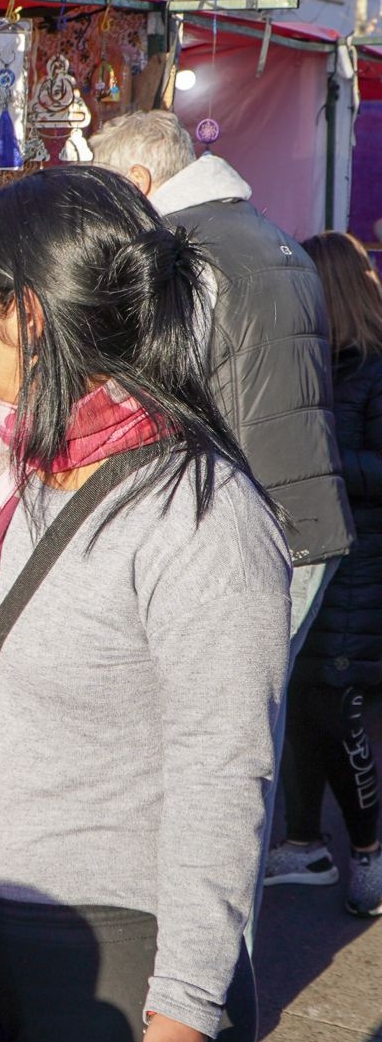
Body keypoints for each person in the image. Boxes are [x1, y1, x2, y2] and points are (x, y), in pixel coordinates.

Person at [0, 166, 287, 1042]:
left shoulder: (199, 515)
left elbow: (223, 778)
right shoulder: (21, 471)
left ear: (27, 315)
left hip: (116, 961)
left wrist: (181, 1009)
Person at [89, 110, 352, 652]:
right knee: (256, 712)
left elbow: (157, 390)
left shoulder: (183, 250)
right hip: (302, 507)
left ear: (137, 182)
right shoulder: (275, 239)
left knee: (226, 718)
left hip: (243, 520)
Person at [265, 232, 382, 917]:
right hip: (312, 558)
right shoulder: (320, 369)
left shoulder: (372, 368)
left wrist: (325, 462)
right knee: (304, 705)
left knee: (337, 710)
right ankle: (306, 839)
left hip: (358, 564)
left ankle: (369, 849)